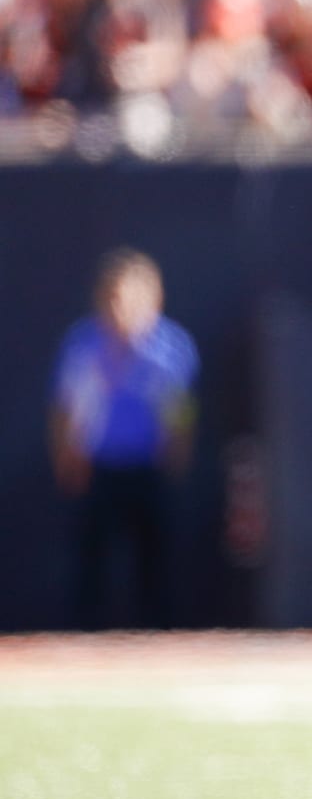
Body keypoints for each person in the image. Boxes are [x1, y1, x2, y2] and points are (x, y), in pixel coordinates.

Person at [48, 248, 199, 629]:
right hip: (97, 467)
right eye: (113, 298)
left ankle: (157, 638)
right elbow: (65, 408)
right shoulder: (83, 345)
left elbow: (180, 411)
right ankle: (82, 639)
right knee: (90, 561)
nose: (121, 309)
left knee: (153, 561)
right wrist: (67, 456)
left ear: (154, 299)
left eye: (131, 298)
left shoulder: (172, 348)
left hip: (148, 468)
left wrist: (178, 452)